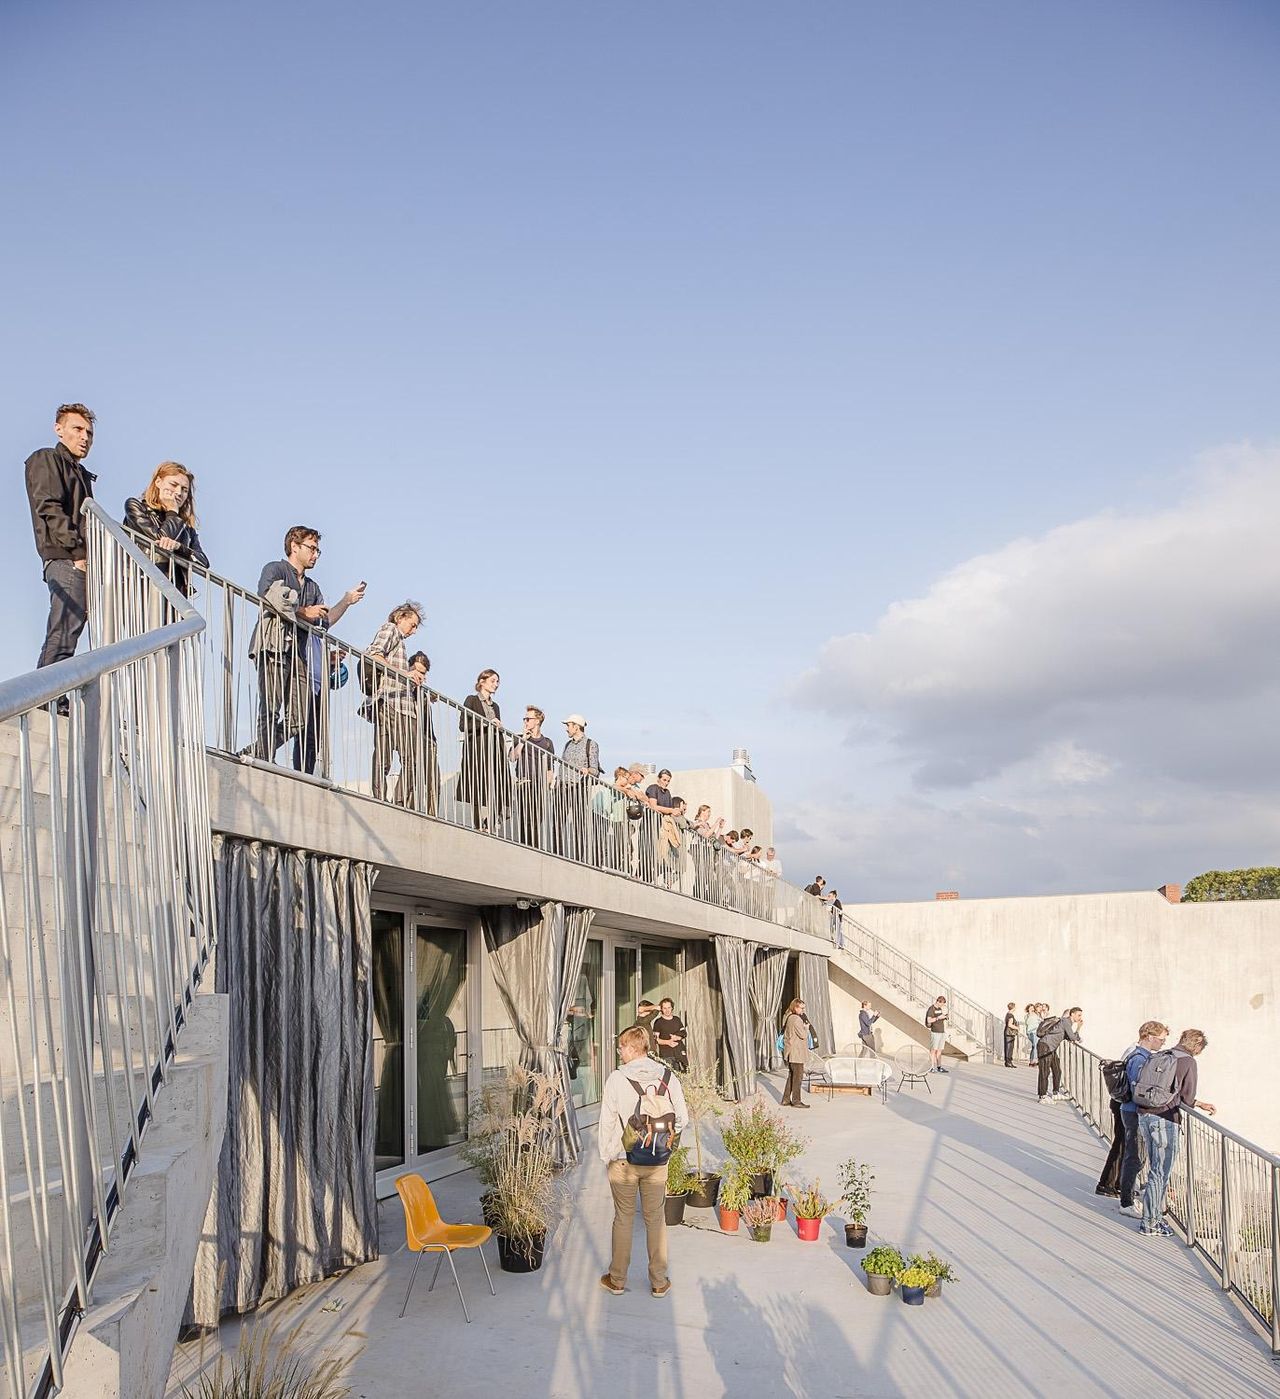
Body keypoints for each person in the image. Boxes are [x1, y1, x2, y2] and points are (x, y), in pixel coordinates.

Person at [249, 526, 365, 772]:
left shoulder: (312, 587)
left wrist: (346, 601)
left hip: (300, 656)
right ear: (294, 546)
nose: (315, 555)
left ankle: (257, 750)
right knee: (270, 707)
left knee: (299, 719)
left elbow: (324, 621)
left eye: (317, 551)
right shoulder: (275, 569)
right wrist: (304, 612)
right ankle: (264, 760)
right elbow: (268, 595)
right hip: (274, 645)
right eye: (312, 548)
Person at [598, 1024, 688, 1298]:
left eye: (622, 1047)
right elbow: (682, 1119)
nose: (619, 1052)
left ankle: (617, 1280)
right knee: (655, 1218)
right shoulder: (667, 1076)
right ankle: (659, 1281)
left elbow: (607, 1120)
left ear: (633, 1047)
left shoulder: (617, 1078)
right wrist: (664, 1144)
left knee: (624, 1217)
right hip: (657, 1159)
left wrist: (607, 1154)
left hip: (624, 1159)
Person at [26, 403, 97, 678]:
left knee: (69, 633)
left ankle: (53, 694)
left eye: (89, 433)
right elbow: (49, 507)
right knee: (64, 631)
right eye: (77, 429)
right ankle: (46, 696)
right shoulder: (47, 459)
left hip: (75, 558)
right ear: (59, 429)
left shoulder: (80, 473)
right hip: (65, 557)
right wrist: (78, 553)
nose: (84, 437)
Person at [1137, 1028, 1215, 1238]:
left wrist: (1197, 1103)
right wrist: (1197, 1103)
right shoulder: (1188, 1062)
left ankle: (1155, 1216)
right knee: (1160, 1172)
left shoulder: (1163, 1054)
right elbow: (1187, 1098)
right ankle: (1150, 1223)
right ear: (1197, 1046)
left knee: (1155, 1169)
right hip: (1165, 1119)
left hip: (1145, 1114)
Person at [1096, 1020, 1167, 1211]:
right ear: (1149, 1037)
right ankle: (1126, 1200)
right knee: (1134, 1156)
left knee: (1133, 1155)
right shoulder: (1139, 1059)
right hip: (1133, 1111)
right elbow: (1139, 1089)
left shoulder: (1138, 1055)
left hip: (1130, 1109)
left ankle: (1124, 1193)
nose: (1162, 1043)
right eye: (1161, 1039)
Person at [365, 602, 422, 802]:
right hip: (394, 703)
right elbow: (374, 655)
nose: (414, 631)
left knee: (385, 755)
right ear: (400, 618)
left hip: (392, 702)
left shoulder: (398, 639)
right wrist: (405, 674)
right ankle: (396, 801)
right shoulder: (390, 629)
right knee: (410, 758)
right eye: (412, 625)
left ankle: (382, 798)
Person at [123, 462, 210, 593]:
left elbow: (203, 562)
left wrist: (179, 547)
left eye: (184, 490)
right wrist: (172, 511)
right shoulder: (136, 506)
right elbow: (161, 541)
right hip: (140, 588)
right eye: (173, 485)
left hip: (173, 594)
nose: (179, 492)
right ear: (158, 482)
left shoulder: (186, 529)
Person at [458, 669, 512, 831]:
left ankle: (491, 821)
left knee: (500, 784)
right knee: (476, 783)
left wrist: (498, 727)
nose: (496, 684)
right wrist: (486, 723)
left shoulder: (495, 706)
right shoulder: (472, 700)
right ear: (482, 681)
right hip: (477, 748)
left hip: (495, 750)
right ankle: (477, 824)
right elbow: (463, 725)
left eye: (497, 681)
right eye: (493, 681)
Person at [556, 715, 600, 860]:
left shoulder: (591, 744)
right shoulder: (567, 744)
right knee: (557, 821)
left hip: (578, 787)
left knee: (578, 823)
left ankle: (578, 857)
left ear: (576, 727)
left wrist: (587, 770)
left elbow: (595, 769)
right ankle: (557, 852)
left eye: (568, 725)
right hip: (562, 787)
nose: (566, 729)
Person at [511, 706, 555, 848]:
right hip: (524, 783)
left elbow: (550, 768)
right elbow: (513, 757)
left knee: (537, 819)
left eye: (528, 719)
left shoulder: (547, 742)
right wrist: (523, 740)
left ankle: (534, 847)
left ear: (537, 721)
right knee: (525, 819)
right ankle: (526, 847)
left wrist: (547, 786)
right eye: (524, 719)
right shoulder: (519, 738)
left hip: (539, 786)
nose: (525, 721)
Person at [404, 651, 440, 815]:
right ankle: (408, 809)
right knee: (411, 774)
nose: (420, 675)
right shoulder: (403, 687)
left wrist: (428, 696)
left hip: (427, 738)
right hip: (410, 737)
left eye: (423, 673)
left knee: (433, 779)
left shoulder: (423, 692)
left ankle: (433, 815)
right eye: (417, 670)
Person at [1035, 1006, 1083, 1103]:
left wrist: (1077, 1036)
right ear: (1072, 1014)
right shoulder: (1065, 1022)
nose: (1080, 1018)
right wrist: (1079, 1027)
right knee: (1044, 1072)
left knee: (1057, 1070)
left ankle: (1055, 1093)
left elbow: (1069, 1037)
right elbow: (1072, 1037)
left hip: (1051, 1048)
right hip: (1045, 1047)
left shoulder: (1067, 1023)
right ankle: (1042, 1096)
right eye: (1079, 1015)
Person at [779, 997, 811, 1108]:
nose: (803, 1010)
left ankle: (786, 1099)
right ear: (796, 1007)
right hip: (796, 1053)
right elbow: (803, 1035)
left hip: (791, 1052)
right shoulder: (797, 1019)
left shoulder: (789, 1017)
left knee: (791, 1076)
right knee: (798, 1077)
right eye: (801, 1008)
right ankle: (796, 1101)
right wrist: (806, 1028)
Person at [650, 998, 688, 1073]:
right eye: (665, 1008)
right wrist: (668, 1042)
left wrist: (677, 1037)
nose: (667, 1010)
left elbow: (684, 1033)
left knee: (684, 1075)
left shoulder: (677, 1019)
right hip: (667, 1055)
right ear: (661, 1009)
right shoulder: (658, 1022)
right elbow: (655, 1039)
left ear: (672, 1008)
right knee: (670, 1076)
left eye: (669, 1007)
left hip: (680, 1053)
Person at [925, 996, 949, 1074]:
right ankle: (931, 1067)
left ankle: (939, 1067)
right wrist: (938, 1018)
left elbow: (940, 1017)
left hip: (942, 1032)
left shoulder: (940, 1009)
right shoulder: (931, 1009)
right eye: (942, 1004)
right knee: (933, 1050)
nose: (942, 1006)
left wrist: (945, 1017)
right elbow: (929, 1020)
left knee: (939, 1050)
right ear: (938, 1001)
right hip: (935, 1032)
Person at [1003, 1003, 1019, 1068]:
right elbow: (1010, 1025)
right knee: (1009, 1047)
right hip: (1009, 1033)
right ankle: (1009, 1062)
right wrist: (1017, 1028)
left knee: (1007, 1047)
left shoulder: (1007, 1014)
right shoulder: (1011, 1015)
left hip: (1007, 1032)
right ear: (1013, 1007)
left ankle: (1007, 1062)